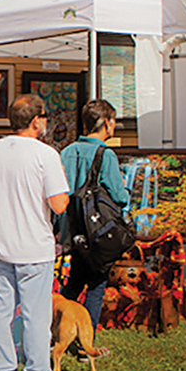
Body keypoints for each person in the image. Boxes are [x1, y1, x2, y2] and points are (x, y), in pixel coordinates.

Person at [0, 94, 70, 371]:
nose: (46, 121)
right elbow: (58, 205)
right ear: (35, 121)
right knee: (35, 315)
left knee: (1, 311)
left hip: (2, 242)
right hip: (34, 246)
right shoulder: (46, 155)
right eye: (44, 116)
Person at [59, 98, 128, 335]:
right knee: (96, 286)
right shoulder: (105, 155)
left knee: (74, 282)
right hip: (96, 232)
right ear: (107, 123)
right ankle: (85, 340)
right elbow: (119, 196)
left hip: (71, 229)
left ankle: (57, 328)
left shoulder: (67, 152)